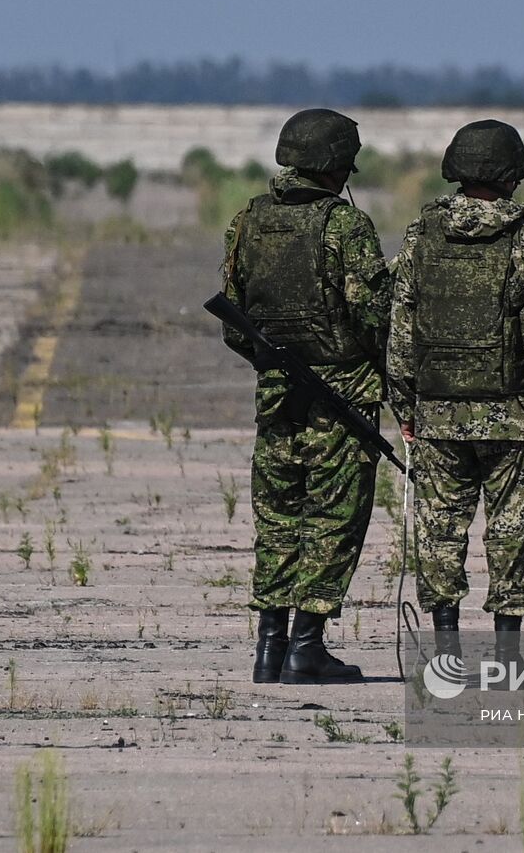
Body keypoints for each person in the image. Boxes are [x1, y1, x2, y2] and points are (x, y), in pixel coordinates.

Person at [387, 119, 524, 663]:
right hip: (508, 418)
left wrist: (404, 405)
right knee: (512, 533)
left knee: (439, 534)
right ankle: (506, 657)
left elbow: (402, 326)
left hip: (438, 417)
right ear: (510, 174)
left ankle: (446, 654)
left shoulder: (420, 237)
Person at [219, 108, 390, 684]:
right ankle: (306, 647)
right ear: (336, 165)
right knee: (335, 518)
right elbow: (373, 315)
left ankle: (269, 648)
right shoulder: (345, 227)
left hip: (276, 394)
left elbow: (234, 322)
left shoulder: (249, 221)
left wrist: (274, 364)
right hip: (342, 395)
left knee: (278, 517)